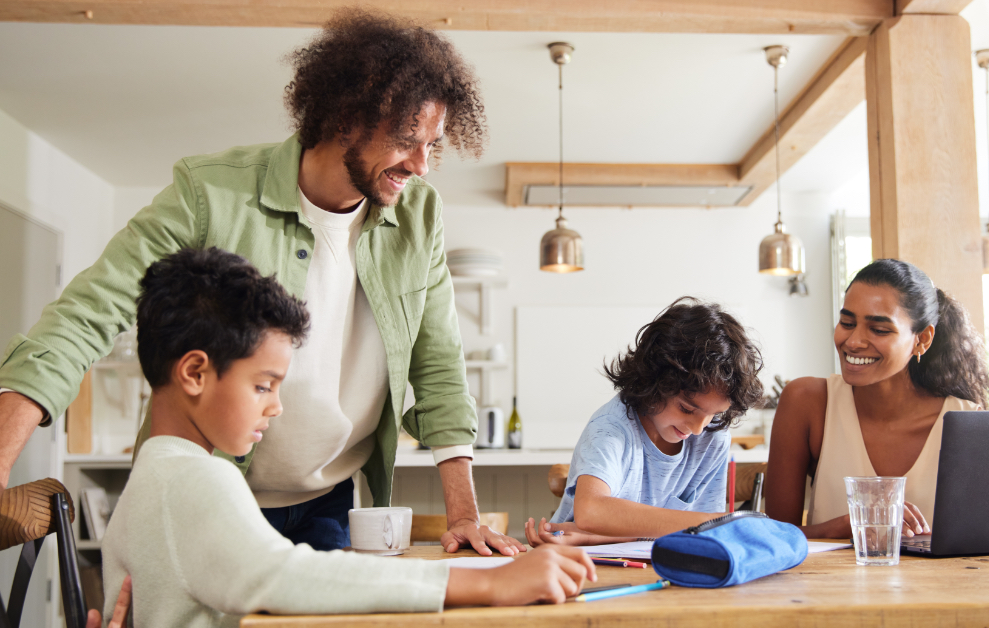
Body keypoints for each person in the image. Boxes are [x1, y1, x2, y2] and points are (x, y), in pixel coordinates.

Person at [0, 8, 522, 556]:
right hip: (206, 494)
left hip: (329, 502)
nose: (422, 164)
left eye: (433, 144)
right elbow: (88, 313)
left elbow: (437, 360)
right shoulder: (209, 194)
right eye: (406, 138)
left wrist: (463, 513)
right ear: (346, 116)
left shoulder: (420, 214)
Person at [102, 248, 596, 626]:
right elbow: (288, 575)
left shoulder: (151, 478)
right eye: (261, 385)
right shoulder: (196, 480)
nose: (275, 405)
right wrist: (487, 584)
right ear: (194, 372)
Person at [764, 259, 989, 538]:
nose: (854, 341)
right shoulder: (806, 402)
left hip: (937, 583)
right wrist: (846, 526)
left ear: (922, 340)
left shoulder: (966, 420)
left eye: (879, 330)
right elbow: (772, 536)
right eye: (847, 322)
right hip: (827, 582)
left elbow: (981, 542)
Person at [524, 297, 764, 546]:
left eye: (713, 414)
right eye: (686, 408)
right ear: (655, 381)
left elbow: (702, 535)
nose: (697, 428)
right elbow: (591, 511)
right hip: (581, 565)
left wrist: (619, 533)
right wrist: (712, 520)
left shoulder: (713, 435)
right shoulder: (612, 428)